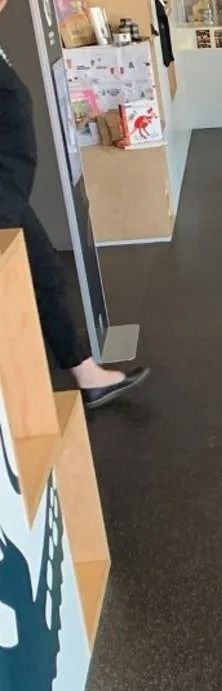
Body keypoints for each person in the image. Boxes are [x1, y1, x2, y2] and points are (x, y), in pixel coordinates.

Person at [0, 25, 148, 409]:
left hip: (9, 194)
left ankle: (85, 373)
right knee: (29, 284)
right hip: (2, 197)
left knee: (46, 276)